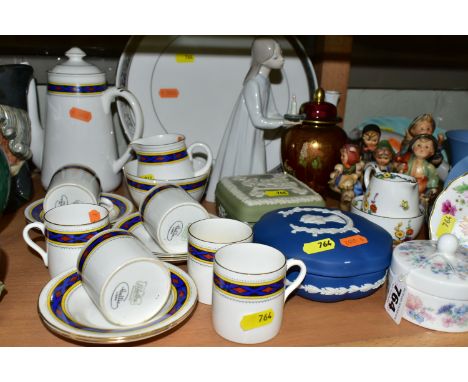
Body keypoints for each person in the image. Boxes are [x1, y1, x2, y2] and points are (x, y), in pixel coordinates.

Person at [205, 38, 294, 202]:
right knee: (251, 168)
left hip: (255, 137)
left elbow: (272, 112)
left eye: (280, 55)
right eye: (276, 57)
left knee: (257, 169)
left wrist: (288, 119)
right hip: (247, 136)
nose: (282, 59)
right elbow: (258, 120)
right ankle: (241, 200)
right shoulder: (253, 85)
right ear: (263, 60)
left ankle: (251, 200)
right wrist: (283, 123)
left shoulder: (265, 82)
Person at [398, 133, 439, 205]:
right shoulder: (407, 161)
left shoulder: (429, 167)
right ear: (413, 147)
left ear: (431, 152)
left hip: (419, 191)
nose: (421, 149)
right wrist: (400, 169)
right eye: (419, 145)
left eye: (426, 147)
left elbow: (433, 178)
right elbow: (399, 169)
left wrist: (432, 189)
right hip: (404, 187)